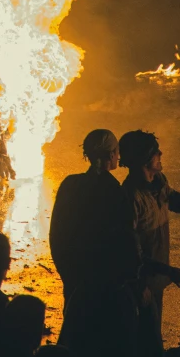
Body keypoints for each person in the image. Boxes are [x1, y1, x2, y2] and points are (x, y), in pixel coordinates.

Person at [49, 129, 135, 304]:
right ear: (111, 155)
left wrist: (66, 272)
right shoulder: (114, 191)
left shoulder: (70, 184)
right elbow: (124, 237)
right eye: (117, 151)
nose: (119, 156)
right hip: (103, 284)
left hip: (74, 277)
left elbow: (57, 233)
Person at [120, 131, 180, 325]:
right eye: (156, 152)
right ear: (144, 158)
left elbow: (171, 199)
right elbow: (129, 249)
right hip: (143, 285)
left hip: (157, 280)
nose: (161, 154)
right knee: (146, 341)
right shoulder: (131, 197)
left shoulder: (158, 182)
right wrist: (140, 284)